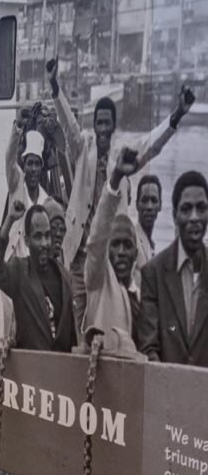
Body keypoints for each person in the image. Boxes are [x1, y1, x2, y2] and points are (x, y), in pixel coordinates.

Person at [46, 55, 194, 326]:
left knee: (109, 317)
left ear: (113, 126)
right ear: (95, 125)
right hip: (80, 254)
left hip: (112, 254)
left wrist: (177, 115)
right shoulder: (82, 147)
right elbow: (67, 123)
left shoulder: (122, 156)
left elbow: (152, 145)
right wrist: (54, 85)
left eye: (107, 123)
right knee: (80, 316)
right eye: (99, 123)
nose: (102, 129)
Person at [138, 171, 208, 367]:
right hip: (165, 392)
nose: (194, 217)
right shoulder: (153, 273)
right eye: (186, 209)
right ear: (174, 215)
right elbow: (148, 347)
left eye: (201, 208)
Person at [0, 200, 76, 352]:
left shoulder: (65, 277)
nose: (44, 243)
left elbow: (71, 334)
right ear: (27, 241)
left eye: (47, 235)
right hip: (30, 370)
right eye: (38, 237)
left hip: (62, 370)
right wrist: (10, 219)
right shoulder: (19, 272)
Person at [82, 148, 144, 357]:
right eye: (115, 244)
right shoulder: (98, 281)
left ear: (136, 254)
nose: (121, 252)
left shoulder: (142, 290)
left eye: (127, 246)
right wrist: (115, 179)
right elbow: (97, 238)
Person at [5, 119, 50, 257]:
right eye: (30, 163)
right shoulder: (16, 187)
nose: (33, 169)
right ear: (24, 165)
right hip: (17, 264)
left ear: (41, 168)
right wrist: (17, 127)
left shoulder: (46, 199)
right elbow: (9, 159)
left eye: (37, 164)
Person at [134, 174, 162, 282]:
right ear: (137, 205)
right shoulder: (131, 240)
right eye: (144, 200)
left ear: (160, 205)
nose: (149, 207)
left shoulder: (151, 246)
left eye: (154, 200)